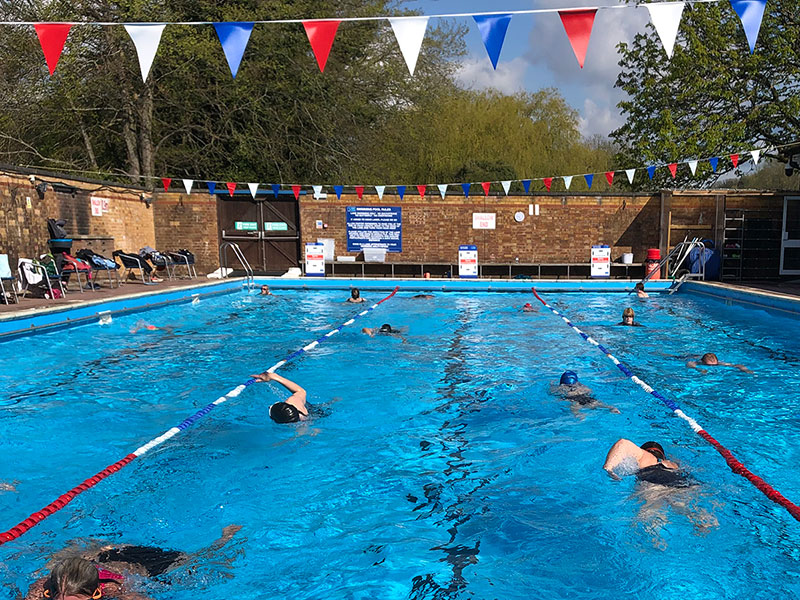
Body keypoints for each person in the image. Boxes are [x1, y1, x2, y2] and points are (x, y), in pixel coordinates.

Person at [24, 525, 241, 600]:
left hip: (141, 564)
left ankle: (225, 538)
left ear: (96, 594)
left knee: (201, 565)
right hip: (100, 558)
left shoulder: (116, 589)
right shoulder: (40, 590)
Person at [603, 439, 717, 538]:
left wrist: (608, 468)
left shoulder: (647, 457)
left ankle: (656, 543)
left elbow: (623, 443)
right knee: (685, 509)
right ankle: (704, 522)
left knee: (651, 520)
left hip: (655, 486)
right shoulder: (674, 464)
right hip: (686, 487)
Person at [553, 371, 619, 417]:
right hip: (587, 398)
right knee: (598, 403)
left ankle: (579, 415)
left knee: (574, 408)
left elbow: (553, 393)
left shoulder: (560, 388)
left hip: (574, 400)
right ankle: (612, 408)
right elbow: (590, 391)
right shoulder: (582, 386)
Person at [687, 352, 753, 374]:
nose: (711, 366)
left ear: (717, 362)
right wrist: (699, 369)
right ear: (702, 362)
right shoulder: (698, 362)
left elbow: (738, 365)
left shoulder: (720, 363)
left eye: (714, 365)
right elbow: (689, 364)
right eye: (708, 365)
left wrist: (745, 370)